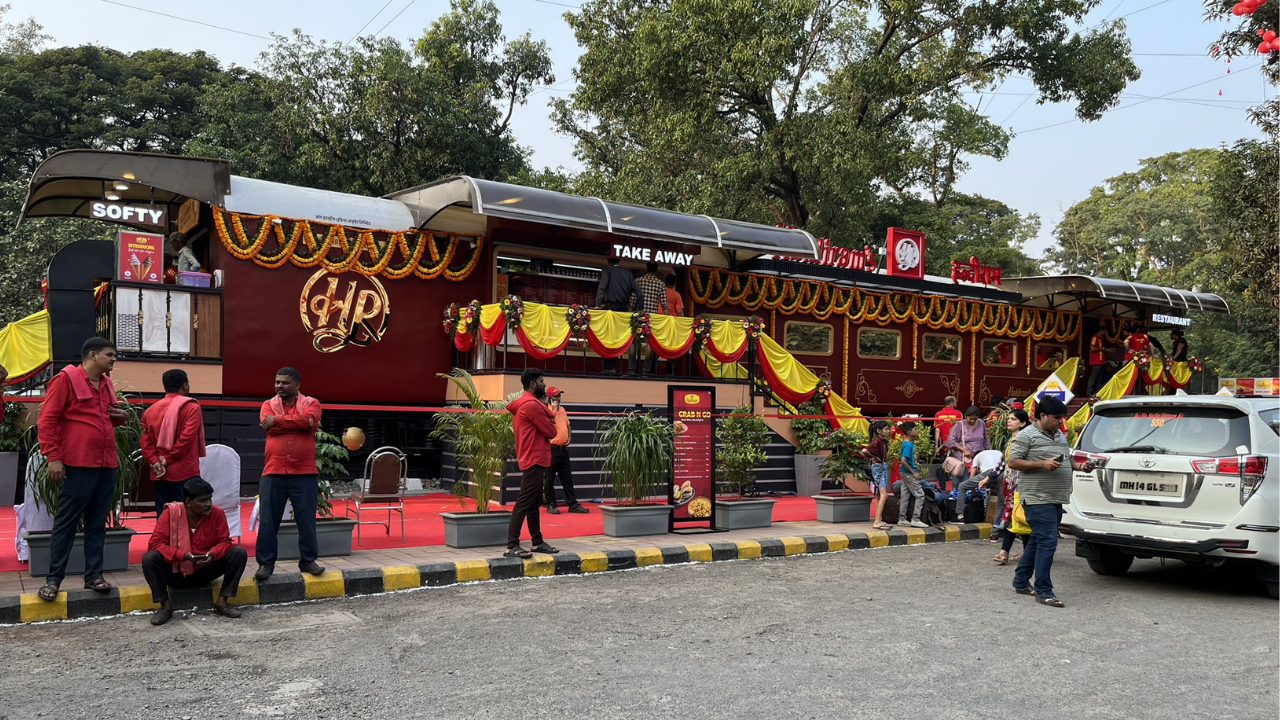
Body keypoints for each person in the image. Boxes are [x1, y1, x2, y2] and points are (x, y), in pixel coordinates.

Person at [35, 338, 129, 601]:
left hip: (106, 462)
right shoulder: (66, 379)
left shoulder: (107, 383)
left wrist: (121, 418)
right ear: (92, 354)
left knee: (98, 523)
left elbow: (107, 418)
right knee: (66, 523)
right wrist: (53, 457)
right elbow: (47, 420)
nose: (114, 360)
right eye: (110, 355)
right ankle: (53, 580)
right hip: (77, 463)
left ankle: (94, 576)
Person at [1007, 396, 1097, 607]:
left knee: (1039, 539)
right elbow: (1013, 461)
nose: (1060, 422)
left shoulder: (1059, 435)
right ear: (1043, 416)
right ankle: (1044, 590)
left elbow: (1066, 459)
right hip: (1037, 498)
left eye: (1062, 418)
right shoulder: (1026, 436)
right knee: (1048, 542)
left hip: (1056, 497)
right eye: (1057, 418)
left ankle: (1021, 581)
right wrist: (1041, 464)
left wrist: (1081, 467)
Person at [141, 478, 247, 626]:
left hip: (205, 569)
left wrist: (212, 554)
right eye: (203, 500)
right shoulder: (171, 514)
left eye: (210, 498)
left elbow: (224, 541)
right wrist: (183, 555)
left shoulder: (217, 513)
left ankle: (222, 603)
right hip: (176, 571)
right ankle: (165, 606)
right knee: (150, 558)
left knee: (239, 553)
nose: (208, 504)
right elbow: (155, 544)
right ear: (189, 502)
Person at [254, 367, 325, 581]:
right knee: (268, 521)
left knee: (306, 520)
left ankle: (308, 561)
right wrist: (289, 423)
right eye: (277, 382)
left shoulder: (312, 403)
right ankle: (265, 564)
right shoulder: (268, 404)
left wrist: (278, 421)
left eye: (284, 383)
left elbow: (309, 422)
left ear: (297, 386)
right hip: (273, 470)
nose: (279, 386)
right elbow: (271, 427)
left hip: (303, 471)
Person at [505, 368, 561, 558]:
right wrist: (548, 410)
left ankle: (537, 542)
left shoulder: (526, 404)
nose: (545, 384)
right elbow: (552, 432)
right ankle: (512, 545)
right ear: (533, 384)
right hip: (534, 457)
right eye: (542, 381)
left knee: (534, 502)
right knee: (524, 502)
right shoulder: (531, 405)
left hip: (532, 456)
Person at [140, 369, 206, 516]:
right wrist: (167, 459)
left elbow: (145, 441)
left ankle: (165, 540)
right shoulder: (192, 407)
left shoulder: (150, 410)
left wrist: (155, 461)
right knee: (189, 515)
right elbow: (186, 439)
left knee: (164, 515)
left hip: (159, 472)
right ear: (184, 386)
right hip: (185, 470)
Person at [994, 410, 1031, 564]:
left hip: (1021, 484)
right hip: (1009, 484)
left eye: (1013, 419)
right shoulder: (1010, 440)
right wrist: (989, 478)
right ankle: (1026, 553)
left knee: (1014, 516)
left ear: (1022, 423)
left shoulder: (1025, 440)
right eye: (1008, 419)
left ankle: (1004, 552)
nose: (1008, 421)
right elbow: (1003, 463)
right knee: (1018, 517)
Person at [544, 386, 587, 515]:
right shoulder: (547, 410)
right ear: (550, 398)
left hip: (563, 449)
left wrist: (569, 437)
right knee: (549, 479)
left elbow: (568, 425)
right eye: (556, 396)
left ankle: (572, 503)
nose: (559, 398)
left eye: (559, 395)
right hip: (551, 448)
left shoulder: (562, 409)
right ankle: (551, 503)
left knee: (567, 478)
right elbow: (548, 423)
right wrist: (554, 408)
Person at [596, 256, 640, 374]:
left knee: (609, 337)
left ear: (608, 261)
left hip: (611, 308)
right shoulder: (628, 273)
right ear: (619, 261)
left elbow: (602, 287)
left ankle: (609, 367)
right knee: (618, 338)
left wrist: (598, 304)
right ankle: (613, 366)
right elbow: (638, 292)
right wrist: (639, 308)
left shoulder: (608, 270)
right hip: (624, 310)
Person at [953, 448, 1003, 522]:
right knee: (1000, 501)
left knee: (962, 486)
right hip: (1002, 472)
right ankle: (998, 525)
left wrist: (974, 495)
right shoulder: (998, 451)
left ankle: (960, 514)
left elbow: (971, 478)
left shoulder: (977, 456)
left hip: (988, 472)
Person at [944, 406, 991, 485]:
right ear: (966, 417)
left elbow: (985, 440)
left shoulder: (981, 423)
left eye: (975, 419)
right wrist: (964, 450)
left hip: (979, 459)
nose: (972, 421)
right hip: (963, 460)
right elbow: (950, 441)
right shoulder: (960, 424)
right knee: (962, 483)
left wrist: (987, 453)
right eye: (970, 419)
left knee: (978, 483)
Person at [637, 262, 668, 374]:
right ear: (656, 270)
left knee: (634, 342)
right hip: (652, 317)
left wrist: (631, 310)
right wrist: (667, 319)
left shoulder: (638, 281)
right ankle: (646, 370)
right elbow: (664, 304)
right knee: (650, 344)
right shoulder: (660, 284)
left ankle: (631, 369)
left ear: (646, 268)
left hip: (639, 316)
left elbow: (633, 298)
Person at [896, 422, 928, 528]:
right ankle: (916, 519)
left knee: (905, 495)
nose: (917, 431)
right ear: (909, 432)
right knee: (920, 494)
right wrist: (913, 472)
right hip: (908, 473)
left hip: (906, 473)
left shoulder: (910, 443)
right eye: (916, 429)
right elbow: (903, 461)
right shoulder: (908, 445)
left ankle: (902, 518)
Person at [868, 421, 893, 530]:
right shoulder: (876, 441)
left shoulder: (882, 441)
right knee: (884, 495)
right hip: (879, 468)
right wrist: (875, 457)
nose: (888, 431)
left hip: (882, 466)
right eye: (886, 429)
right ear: (879, 431)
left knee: (879, 495)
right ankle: (877, 522)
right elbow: (865, 450)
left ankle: (879, 520)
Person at [664, 274, 684, 376]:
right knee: (671, 347)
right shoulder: (676, 295)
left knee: (656, 345)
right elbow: (679, 311)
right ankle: (668, 372)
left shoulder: (661, 293)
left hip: (660, 323)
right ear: (675, 283)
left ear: (665, 282)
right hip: (672, 325)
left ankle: (651, 370)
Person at [1087, 327, 1110, 395]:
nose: (1105, 333)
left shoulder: (1101, 338)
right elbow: (1092, 348)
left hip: (1101, 361)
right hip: (1096, 361)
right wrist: (1101, 349)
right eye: (1104, 331)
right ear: (1101, 330)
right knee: (1093, 377)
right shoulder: (1095, 338)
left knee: (1099, 378)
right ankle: (1089, 392)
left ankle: (1098, 392)